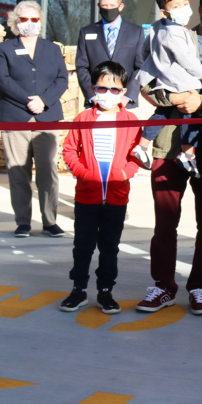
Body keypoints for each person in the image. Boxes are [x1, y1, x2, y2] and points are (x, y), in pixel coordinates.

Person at [137, 0, 202, 317]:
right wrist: (173, 98)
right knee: (165, 222)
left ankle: (199, 286)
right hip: (170, 144)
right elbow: (148, 84)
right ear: (199, 8)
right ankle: (163, 285)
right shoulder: (174, 35)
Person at [59, 61, 144, 315]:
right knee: (82, 245)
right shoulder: (83, 118)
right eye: (102, 88)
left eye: (115, 89)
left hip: (116, 197)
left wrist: (124, 174)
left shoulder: (130, 120)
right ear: (93, 89)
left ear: (124, 91)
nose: (108, 94)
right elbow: (69, 150)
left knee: (109, 248)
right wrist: (83, 173)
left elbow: (137, 155)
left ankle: (105, 291)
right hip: (87, 196)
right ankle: (78, 290)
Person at [0, 1, 69, 239]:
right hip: (15, 117)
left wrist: (43, 101)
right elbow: (2, 79)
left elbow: (62, 79)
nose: (29, 23)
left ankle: (50, 221)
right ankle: (23, 222)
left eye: (34, 19)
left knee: (48, 172)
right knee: (18, 172)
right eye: (24, 19)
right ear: (15, 22)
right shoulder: (5, 48)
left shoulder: (52, 49)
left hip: (47, 118)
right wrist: (28, 101)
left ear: (40, 22)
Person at [135, 0, 202, 176]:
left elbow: (144, 50)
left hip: (164, 78)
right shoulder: (175, 32)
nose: (183, 9)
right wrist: (200, 72)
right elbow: (185, 58)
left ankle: (142, 145)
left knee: (163, 113)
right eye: (176, 6)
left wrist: (156, 64)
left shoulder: (157, 27)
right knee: (189, 113)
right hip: (181, 79)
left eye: (185, 3)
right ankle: (187, 154)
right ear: (164, 12)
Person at [75, 0, 146, 107]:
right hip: (97, 101)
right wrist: (93, 96)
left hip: (124, 102)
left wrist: (127, 97)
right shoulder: (86, 32)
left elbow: (141, 67)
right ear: (99, 6)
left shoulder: (136, 32)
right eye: (105, 5)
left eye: (112, 5)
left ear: (121, 6)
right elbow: (82, 67)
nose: (108, 9)